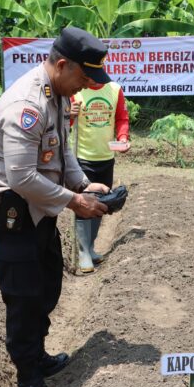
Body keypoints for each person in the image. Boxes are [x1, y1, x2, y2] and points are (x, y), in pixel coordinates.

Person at [0, 27, 111, 387]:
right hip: (15, 211)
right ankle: (28, 379)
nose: (85, 86)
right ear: (63, 64)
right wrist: (74, 200)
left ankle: (37, 354)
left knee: (48, 285)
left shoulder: (60, 95)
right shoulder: (27, 104)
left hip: (41, 208)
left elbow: (61, 153)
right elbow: (20, 176)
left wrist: (84, 184)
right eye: (83, 77)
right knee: (23, 297)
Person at [69, 81, 130, 273]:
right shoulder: (76, 90)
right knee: (84, 202)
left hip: (106, 156)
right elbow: (63, 122)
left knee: (102, 202)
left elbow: (121, 118)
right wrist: (70, 114)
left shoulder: (114, 89)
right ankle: (83, 252)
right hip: (82, 157)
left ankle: (91, 247)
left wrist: (122, 137)